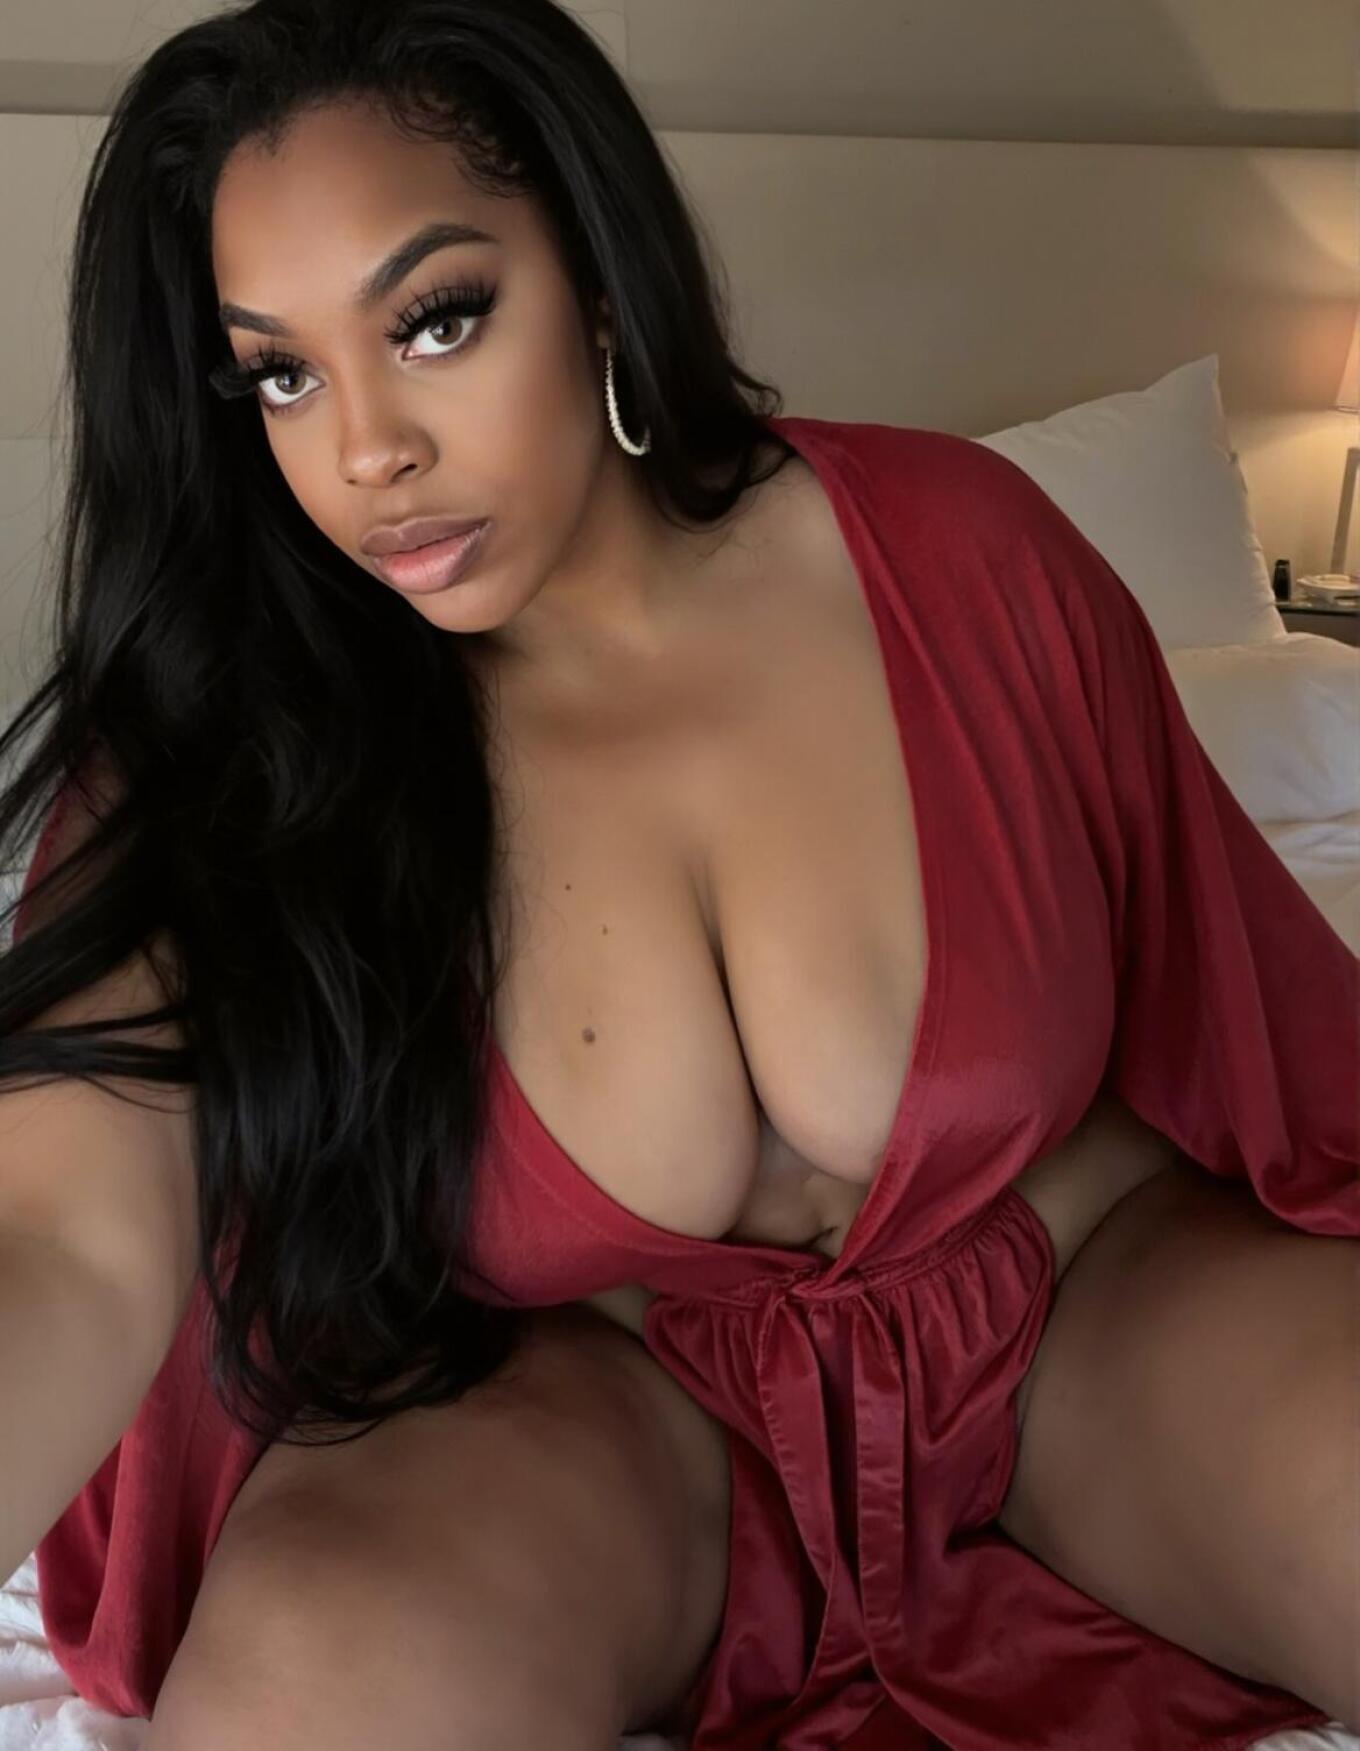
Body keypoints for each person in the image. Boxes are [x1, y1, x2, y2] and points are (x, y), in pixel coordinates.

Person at [0, 0, 1354, 1745]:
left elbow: (1240, 1009)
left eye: (435, 319)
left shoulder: (966, 553)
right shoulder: (231, 743)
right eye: (281, 372)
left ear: (597, 269)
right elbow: (64, 1239)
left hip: (1084, 1298)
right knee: (319, 1679)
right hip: (603, 1416)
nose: (364, 453)